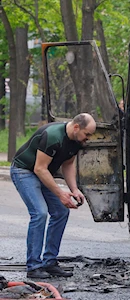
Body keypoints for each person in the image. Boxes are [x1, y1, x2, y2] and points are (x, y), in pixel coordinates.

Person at [10, 113, 97, 279]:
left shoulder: (77, 141)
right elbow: (39, 168)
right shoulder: (53, 136)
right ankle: (34, 266)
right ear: (77, 127)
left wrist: (74, 189)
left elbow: (68, 164)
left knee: (61, 212)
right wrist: (60, 194)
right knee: (39, 213)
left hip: (43, 173)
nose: (88, 138)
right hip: (24, 171)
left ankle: (49, 262)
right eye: (87, 134)